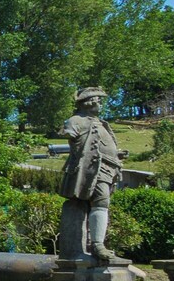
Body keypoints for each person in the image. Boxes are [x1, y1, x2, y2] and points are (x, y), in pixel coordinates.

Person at [58, 87, 124, 264]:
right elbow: (74, 140)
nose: (100, 103)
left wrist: (116, 154)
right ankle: (97, 245)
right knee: (101, 201)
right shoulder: (75, 121)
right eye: (98, 100)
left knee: (102, 202)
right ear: (89, 102)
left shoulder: (101, 123)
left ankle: (97, 244)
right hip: (91, 171)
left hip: (107, 168)